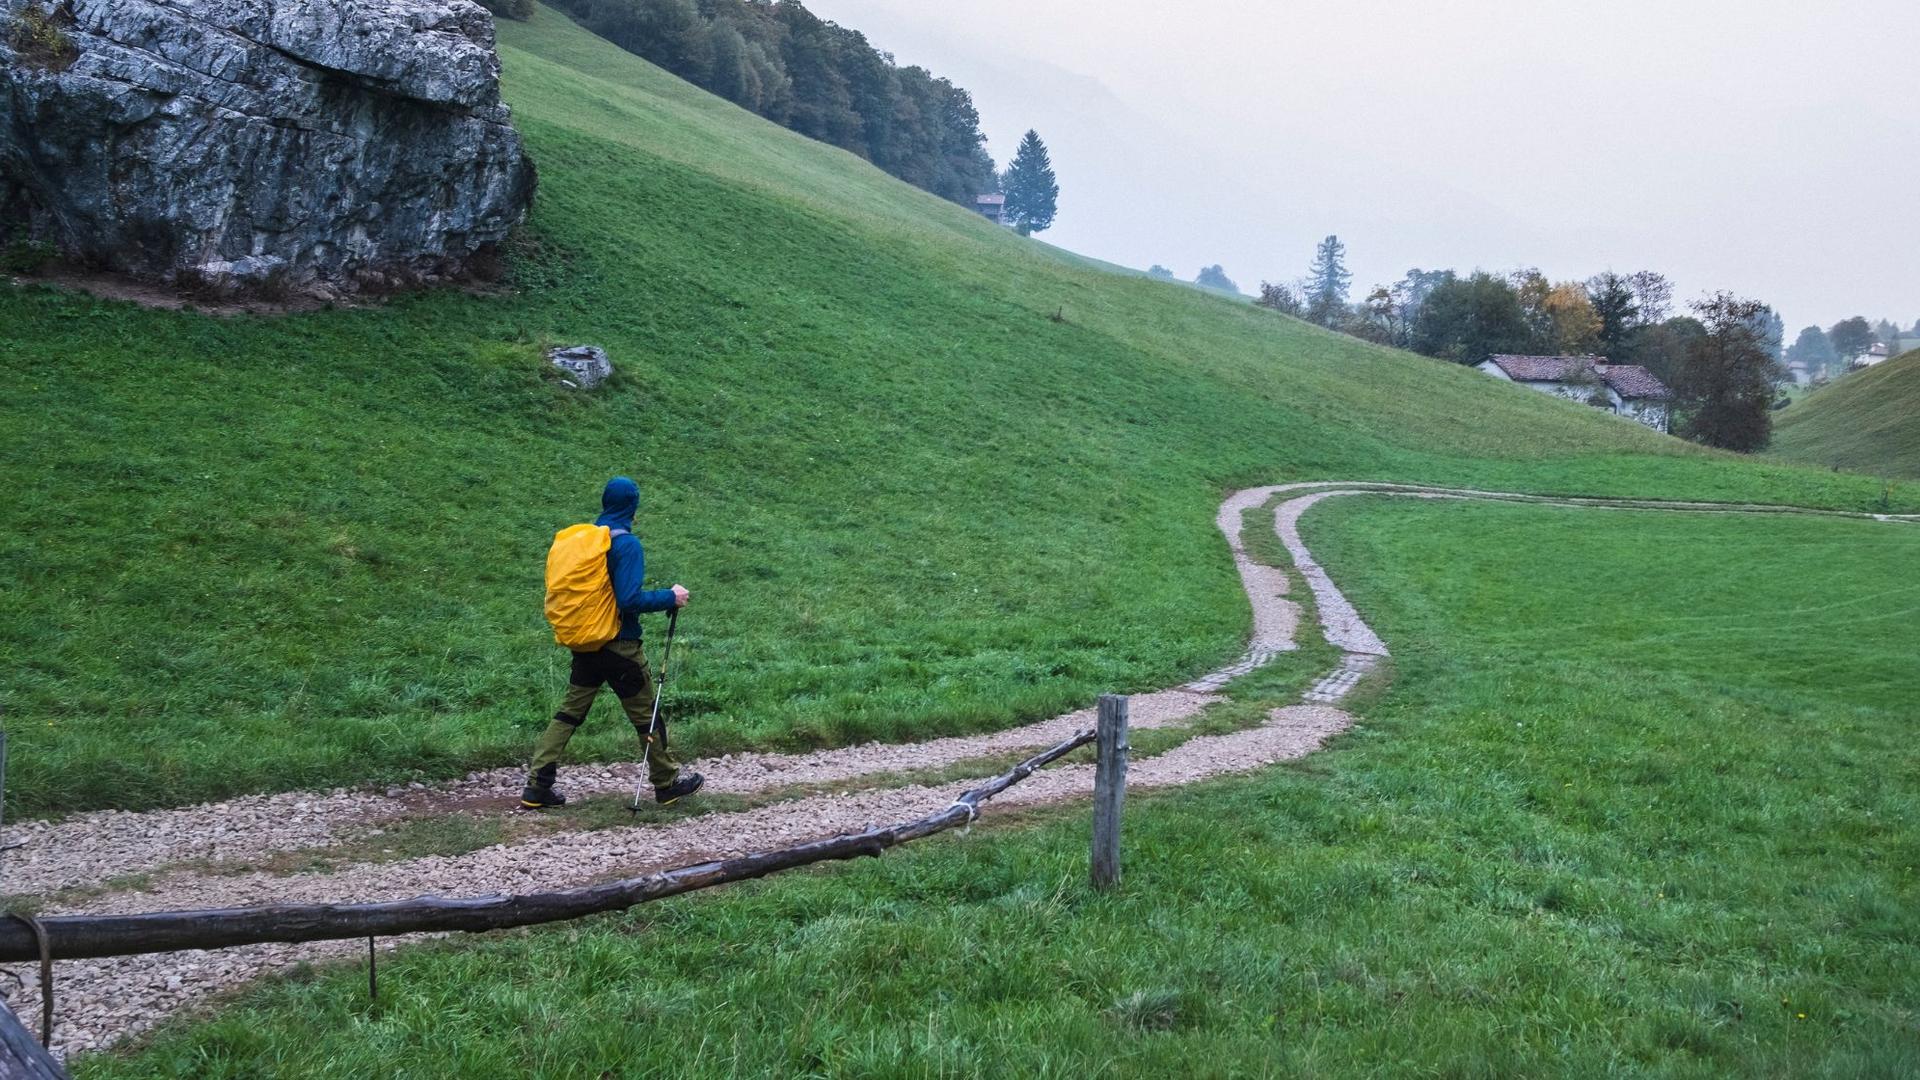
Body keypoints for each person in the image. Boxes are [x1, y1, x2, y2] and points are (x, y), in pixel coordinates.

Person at [522, 476, 704, 809]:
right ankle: (666, 784)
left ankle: (537, 786)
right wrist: (670, 597)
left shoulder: (589, 542)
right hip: (621, 648)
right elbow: (629, 600)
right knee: (647, 716)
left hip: (586, 645)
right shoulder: (626, 545)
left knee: (568, 714)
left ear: (606, 504)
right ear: (632, 508)